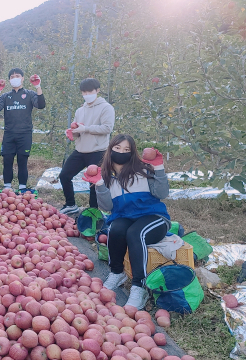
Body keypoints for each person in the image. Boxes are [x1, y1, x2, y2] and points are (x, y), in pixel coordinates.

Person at [82, 134, 170, 309]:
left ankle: (139, 286)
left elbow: (162, 194)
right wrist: (99, 184)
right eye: (118, 148)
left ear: (132, 153)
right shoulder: (107, 177)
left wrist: (158, 167)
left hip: (155, 219)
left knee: (135, 233)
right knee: (116, 229)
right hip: (125, 219)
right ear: (110, 150)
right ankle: (117, 273)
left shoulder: (143, 171)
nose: (121, 152)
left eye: (127, 150)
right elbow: (107, 207)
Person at [59, 78, 115, 215]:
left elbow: (107, 128)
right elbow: (78, 129)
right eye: (84, 92)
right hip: (80, 150)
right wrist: (73, 133)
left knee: (94, 184)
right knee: (64, 175)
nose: (87, 94)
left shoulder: (106, 108)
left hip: (98, 151)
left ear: (97, 91)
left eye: (90, 91)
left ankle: (93, 212)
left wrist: (85, 129)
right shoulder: (80, 110)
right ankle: (71, 204)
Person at [0, 69, 46, 190]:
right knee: (7, 161)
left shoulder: (30, 94)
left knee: (22, 161)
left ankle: (22, 188)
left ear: (22, 78)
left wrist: (38, 86)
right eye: (12, 77)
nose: (15, 78)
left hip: (25, 134)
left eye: (17, 76)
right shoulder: (6, 96)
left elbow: (41, 105)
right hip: (9, 134)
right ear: (10, 80)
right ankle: (7, 187)